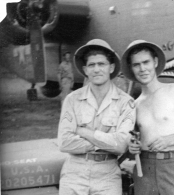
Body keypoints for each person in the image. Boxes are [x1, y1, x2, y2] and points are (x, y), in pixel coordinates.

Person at [121, 40, 174, 195]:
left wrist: (168, 140)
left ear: (155, 62)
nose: (142, 69)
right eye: (136, 64)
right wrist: (132, 146)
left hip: (173, 165)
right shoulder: (134, 105)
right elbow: (132, 139)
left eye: (146, 62)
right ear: (132, 68)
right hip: (144, 169)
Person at [58, 39, 136, 195]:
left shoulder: (126, 102)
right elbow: (64, 142)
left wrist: (85, 133)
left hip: (107, 175)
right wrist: (105, 141)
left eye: (102, 64)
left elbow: (121, 145)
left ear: (111, 68)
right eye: (92, 65)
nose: (96, 69)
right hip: (74, 172)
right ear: (85, 70)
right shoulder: (72, 100)